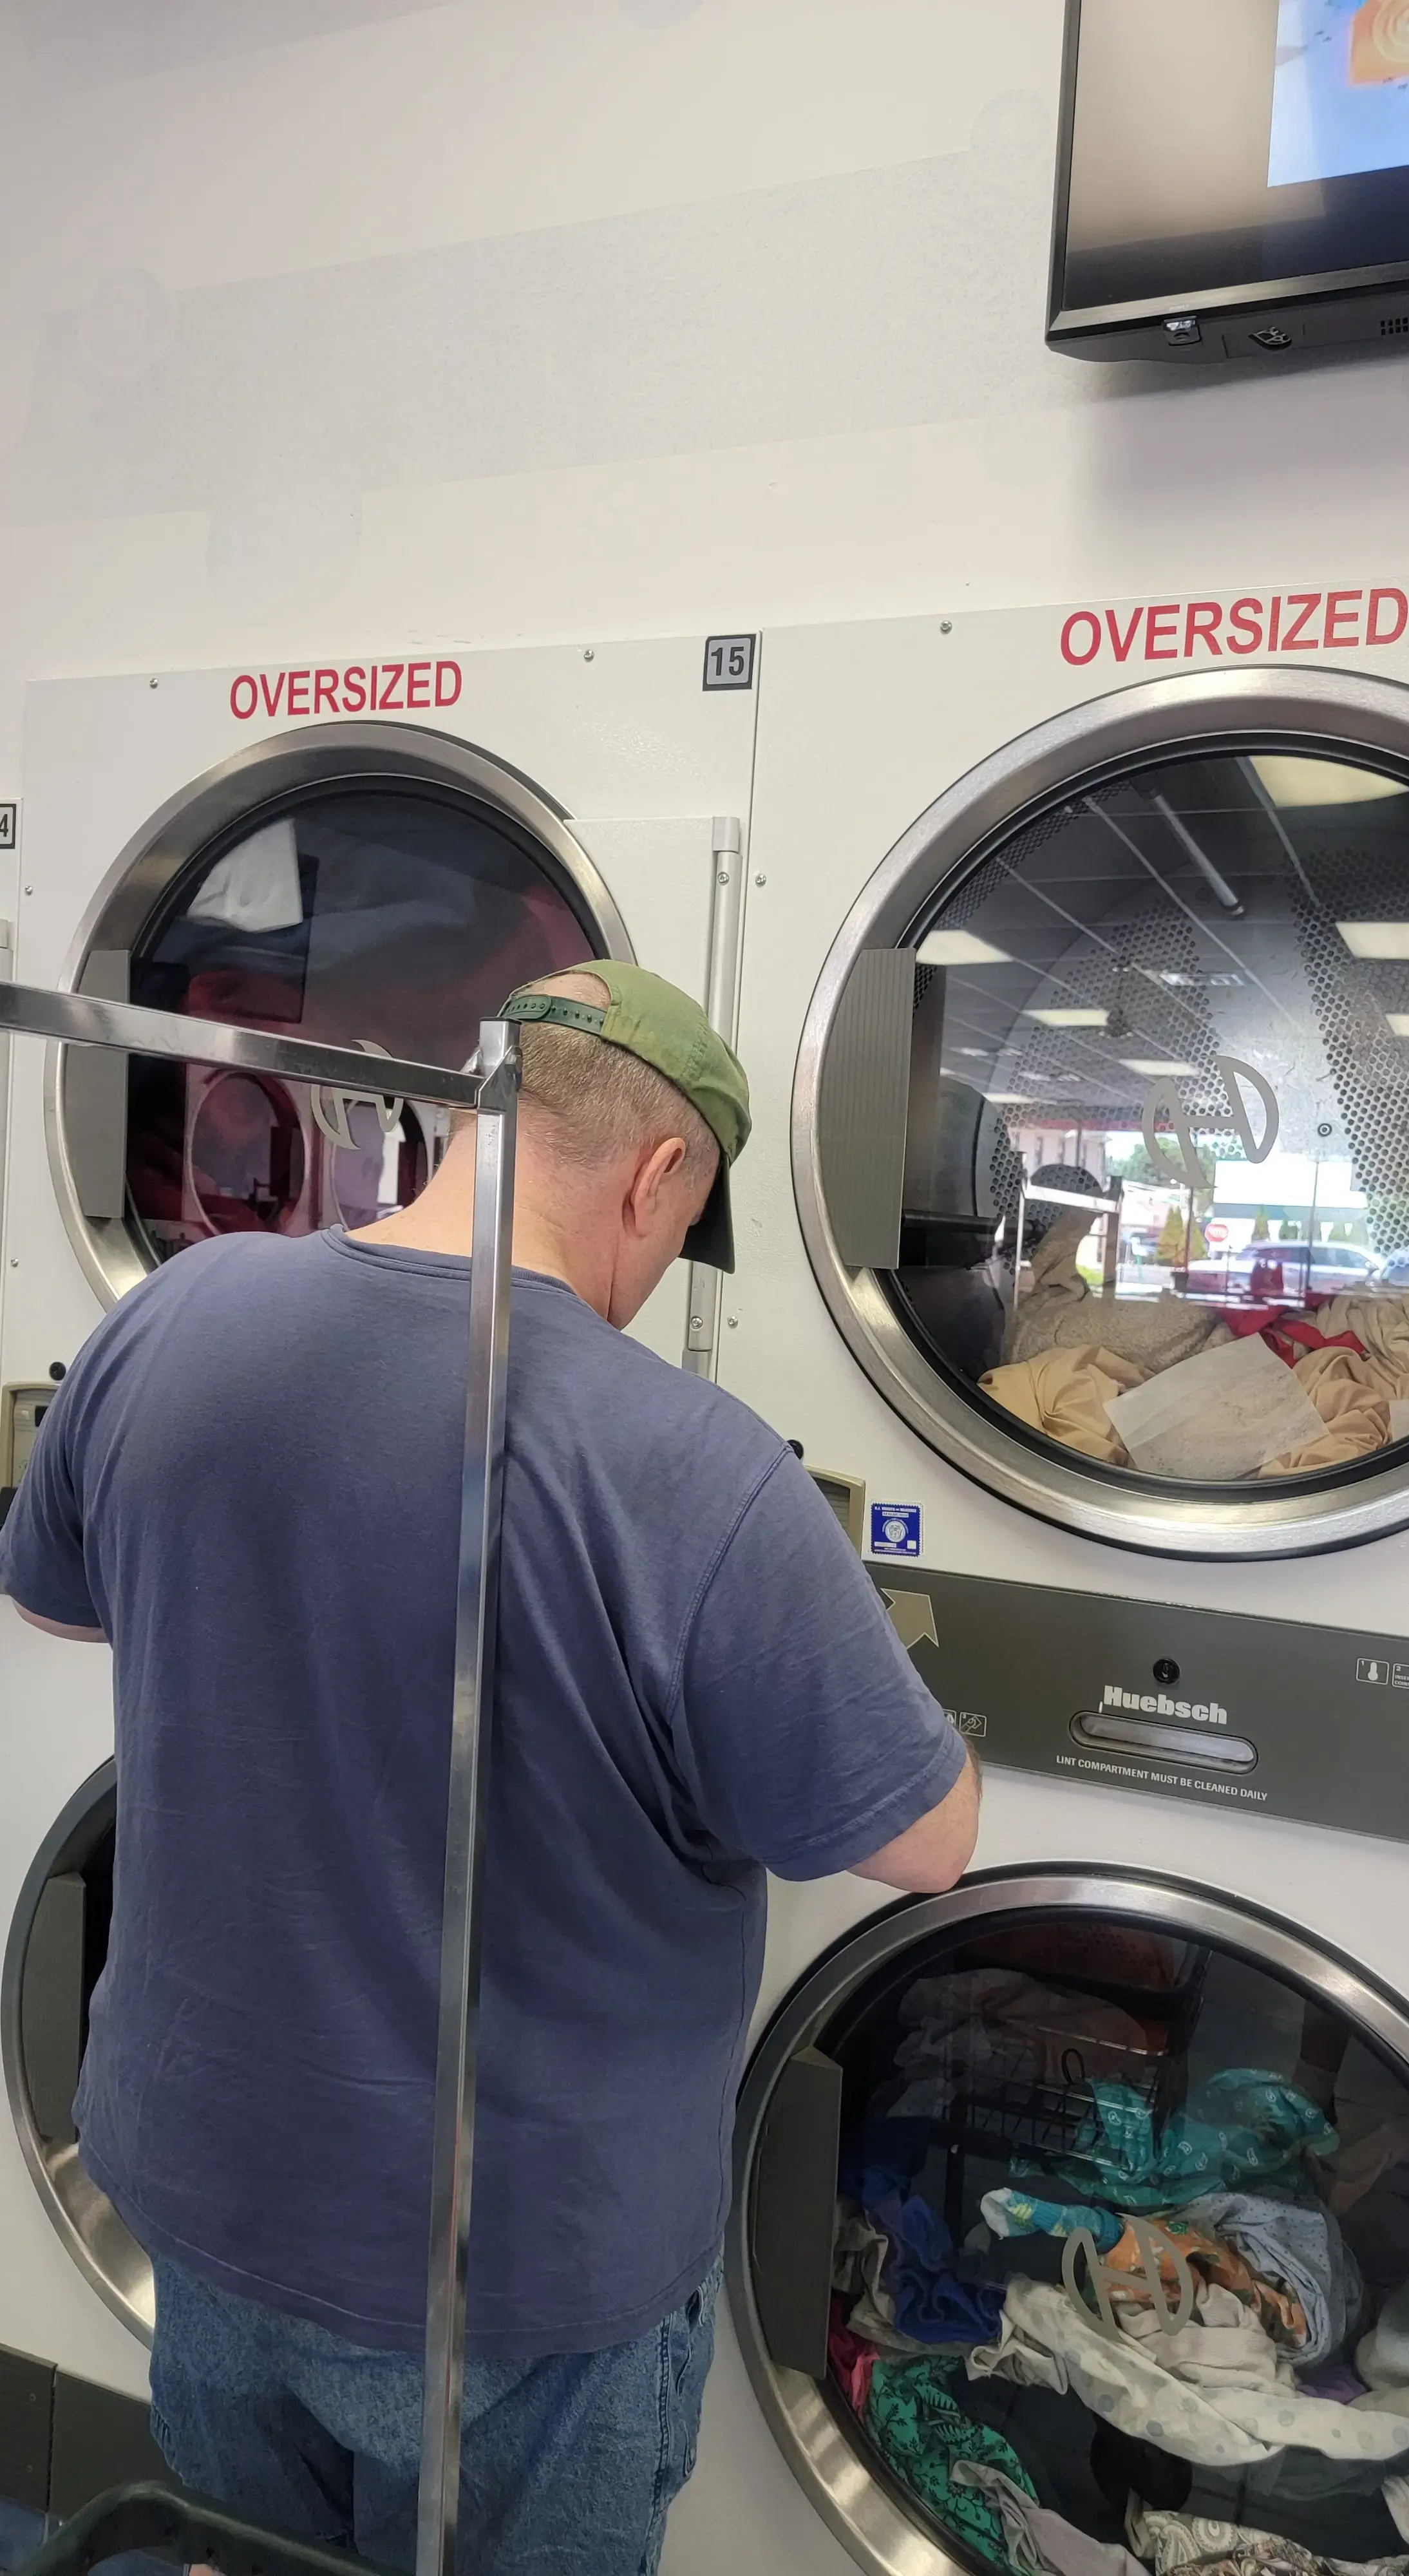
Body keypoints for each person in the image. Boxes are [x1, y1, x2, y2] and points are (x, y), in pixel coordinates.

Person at [0, 961, 979, 2576]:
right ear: (659, 1174)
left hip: (210, 2195)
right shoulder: (696, 1473)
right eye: (680, 1230)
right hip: (514, 2283)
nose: (656, 1275)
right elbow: (924, 1843)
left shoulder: (179, 1313)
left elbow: (49, 1594)